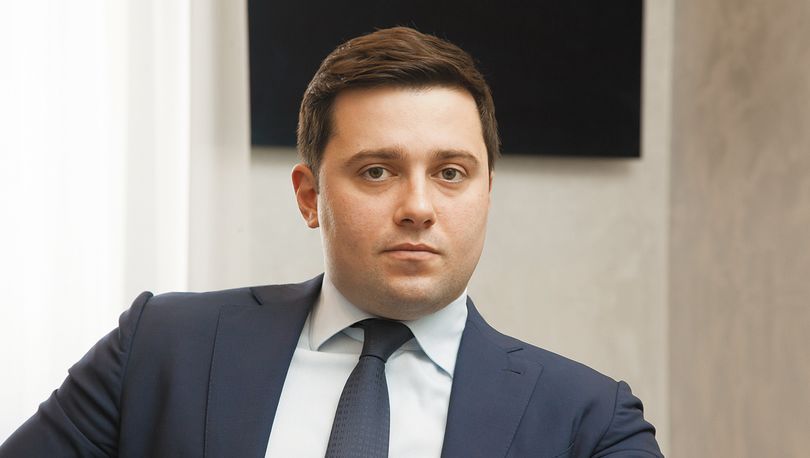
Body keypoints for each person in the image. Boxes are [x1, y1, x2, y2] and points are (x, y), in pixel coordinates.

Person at [0, 27, 662, 457]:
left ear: (487, 194)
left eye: (451, 173)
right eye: (377, 171)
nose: (418, 208)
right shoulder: (157, 349)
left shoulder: (589, 422)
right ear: (309, 196)